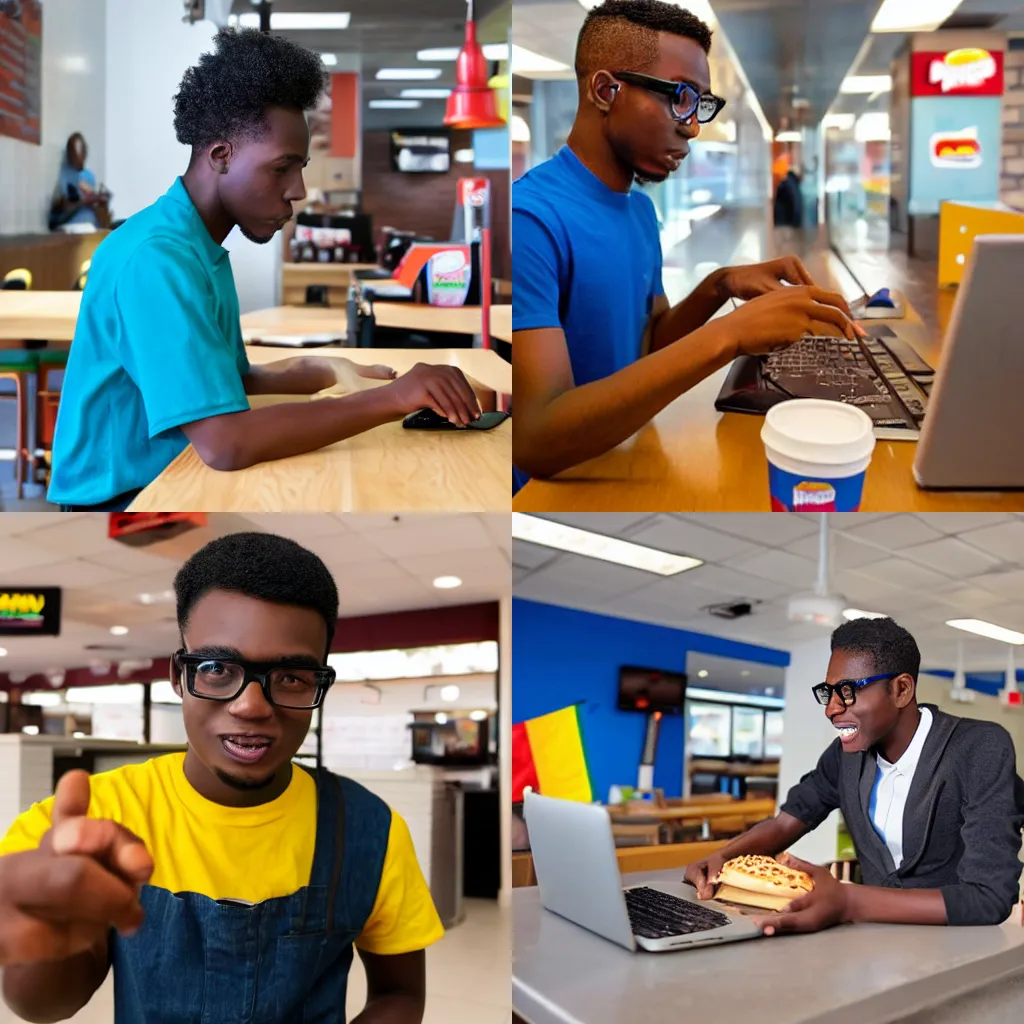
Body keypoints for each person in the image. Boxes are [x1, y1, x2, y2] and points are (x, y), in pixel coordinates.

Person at [0, 531, 442, 1022]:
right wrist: (48, 933)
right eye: (215, 669)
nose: (250, 705)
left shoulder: (370, 831)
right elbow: (39, 1007)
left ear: (320, 683)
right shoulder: (92, 820)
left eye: (292, 677)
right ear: (177, 676)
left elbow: (399, 994)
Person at [48, 28, 481, 511]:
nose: (299, 190)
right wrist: (393, 400)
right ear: (221, 156)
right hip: (122, 501)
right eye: (282, 168)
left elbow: (231, 380)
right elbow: (225, 441)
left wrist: (325, 367)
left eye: (301, 168)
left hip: (172, 475)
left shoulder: (198, 246)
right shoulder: (157, 258)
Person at [511, 0, 864, 491]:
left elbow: (649, 347)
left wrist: (718, 288)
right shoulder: (529, 218)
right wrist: (730, 334)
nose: (693, 127)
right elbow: (536, 441)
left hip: (627, 454)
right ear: (605, 90)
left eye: (699, 103)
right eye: (680, 97)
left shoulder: (638, 212)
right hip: (559, 487)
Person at [684, 616, 1024, 933]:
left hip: (957, 950)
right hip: (873, 945)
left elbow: (989, 897)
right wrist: (721, 857)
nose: (832, 709)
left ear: (901, 690)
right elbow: (786, 823)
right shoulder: (845, 758)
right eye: (829, 693)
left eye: (848, 691)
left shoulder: (978, 747)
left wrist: (849, 900)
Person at [50, 133, 111, 231]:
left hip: (92, 225)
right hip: (73, 227)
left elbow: (94, 206)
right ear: (70, 154)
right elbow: (64, 209)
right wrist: (89, 200)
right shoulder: (65, 176)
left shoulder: (89, 176)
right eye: (76, 151)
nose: (79, 155)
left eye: (82, 150)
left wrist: (100, 201)